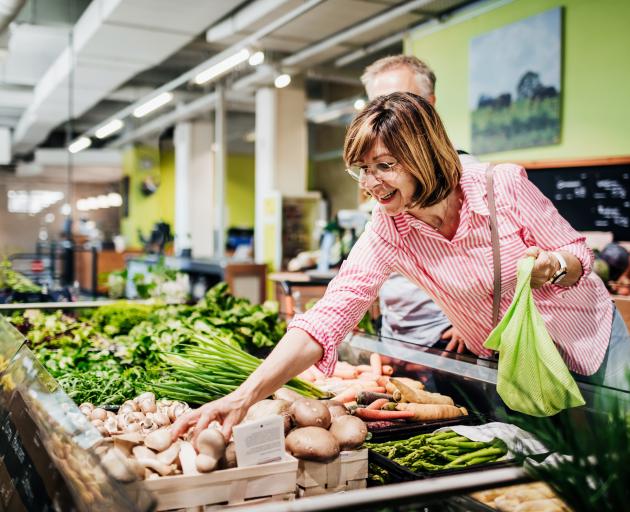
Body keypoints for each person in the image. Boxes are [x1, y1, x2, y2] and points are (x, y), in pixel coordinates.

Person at [174, 92, 630, 441]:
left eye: (384, 166)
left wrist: (551, 266)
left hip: (587, 340)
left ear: (424, 153)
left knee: (619, 450)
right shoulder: (389, 228)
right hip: (518, 365)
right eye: (363, 170)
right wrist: (244, 395)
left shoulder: (500, 186)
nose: (371, 184)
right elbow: (330, 315)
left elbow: (579, 254)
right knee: (554, 471)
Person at [361, 55, 468, 351]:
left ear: (429, 105)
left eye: (399, 102)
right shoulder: (380, 184)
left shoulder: (468, 178)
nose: (385, 117)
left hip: (446, 338)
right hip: (397, 334)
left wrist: (474, 319)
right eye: (376, 106)